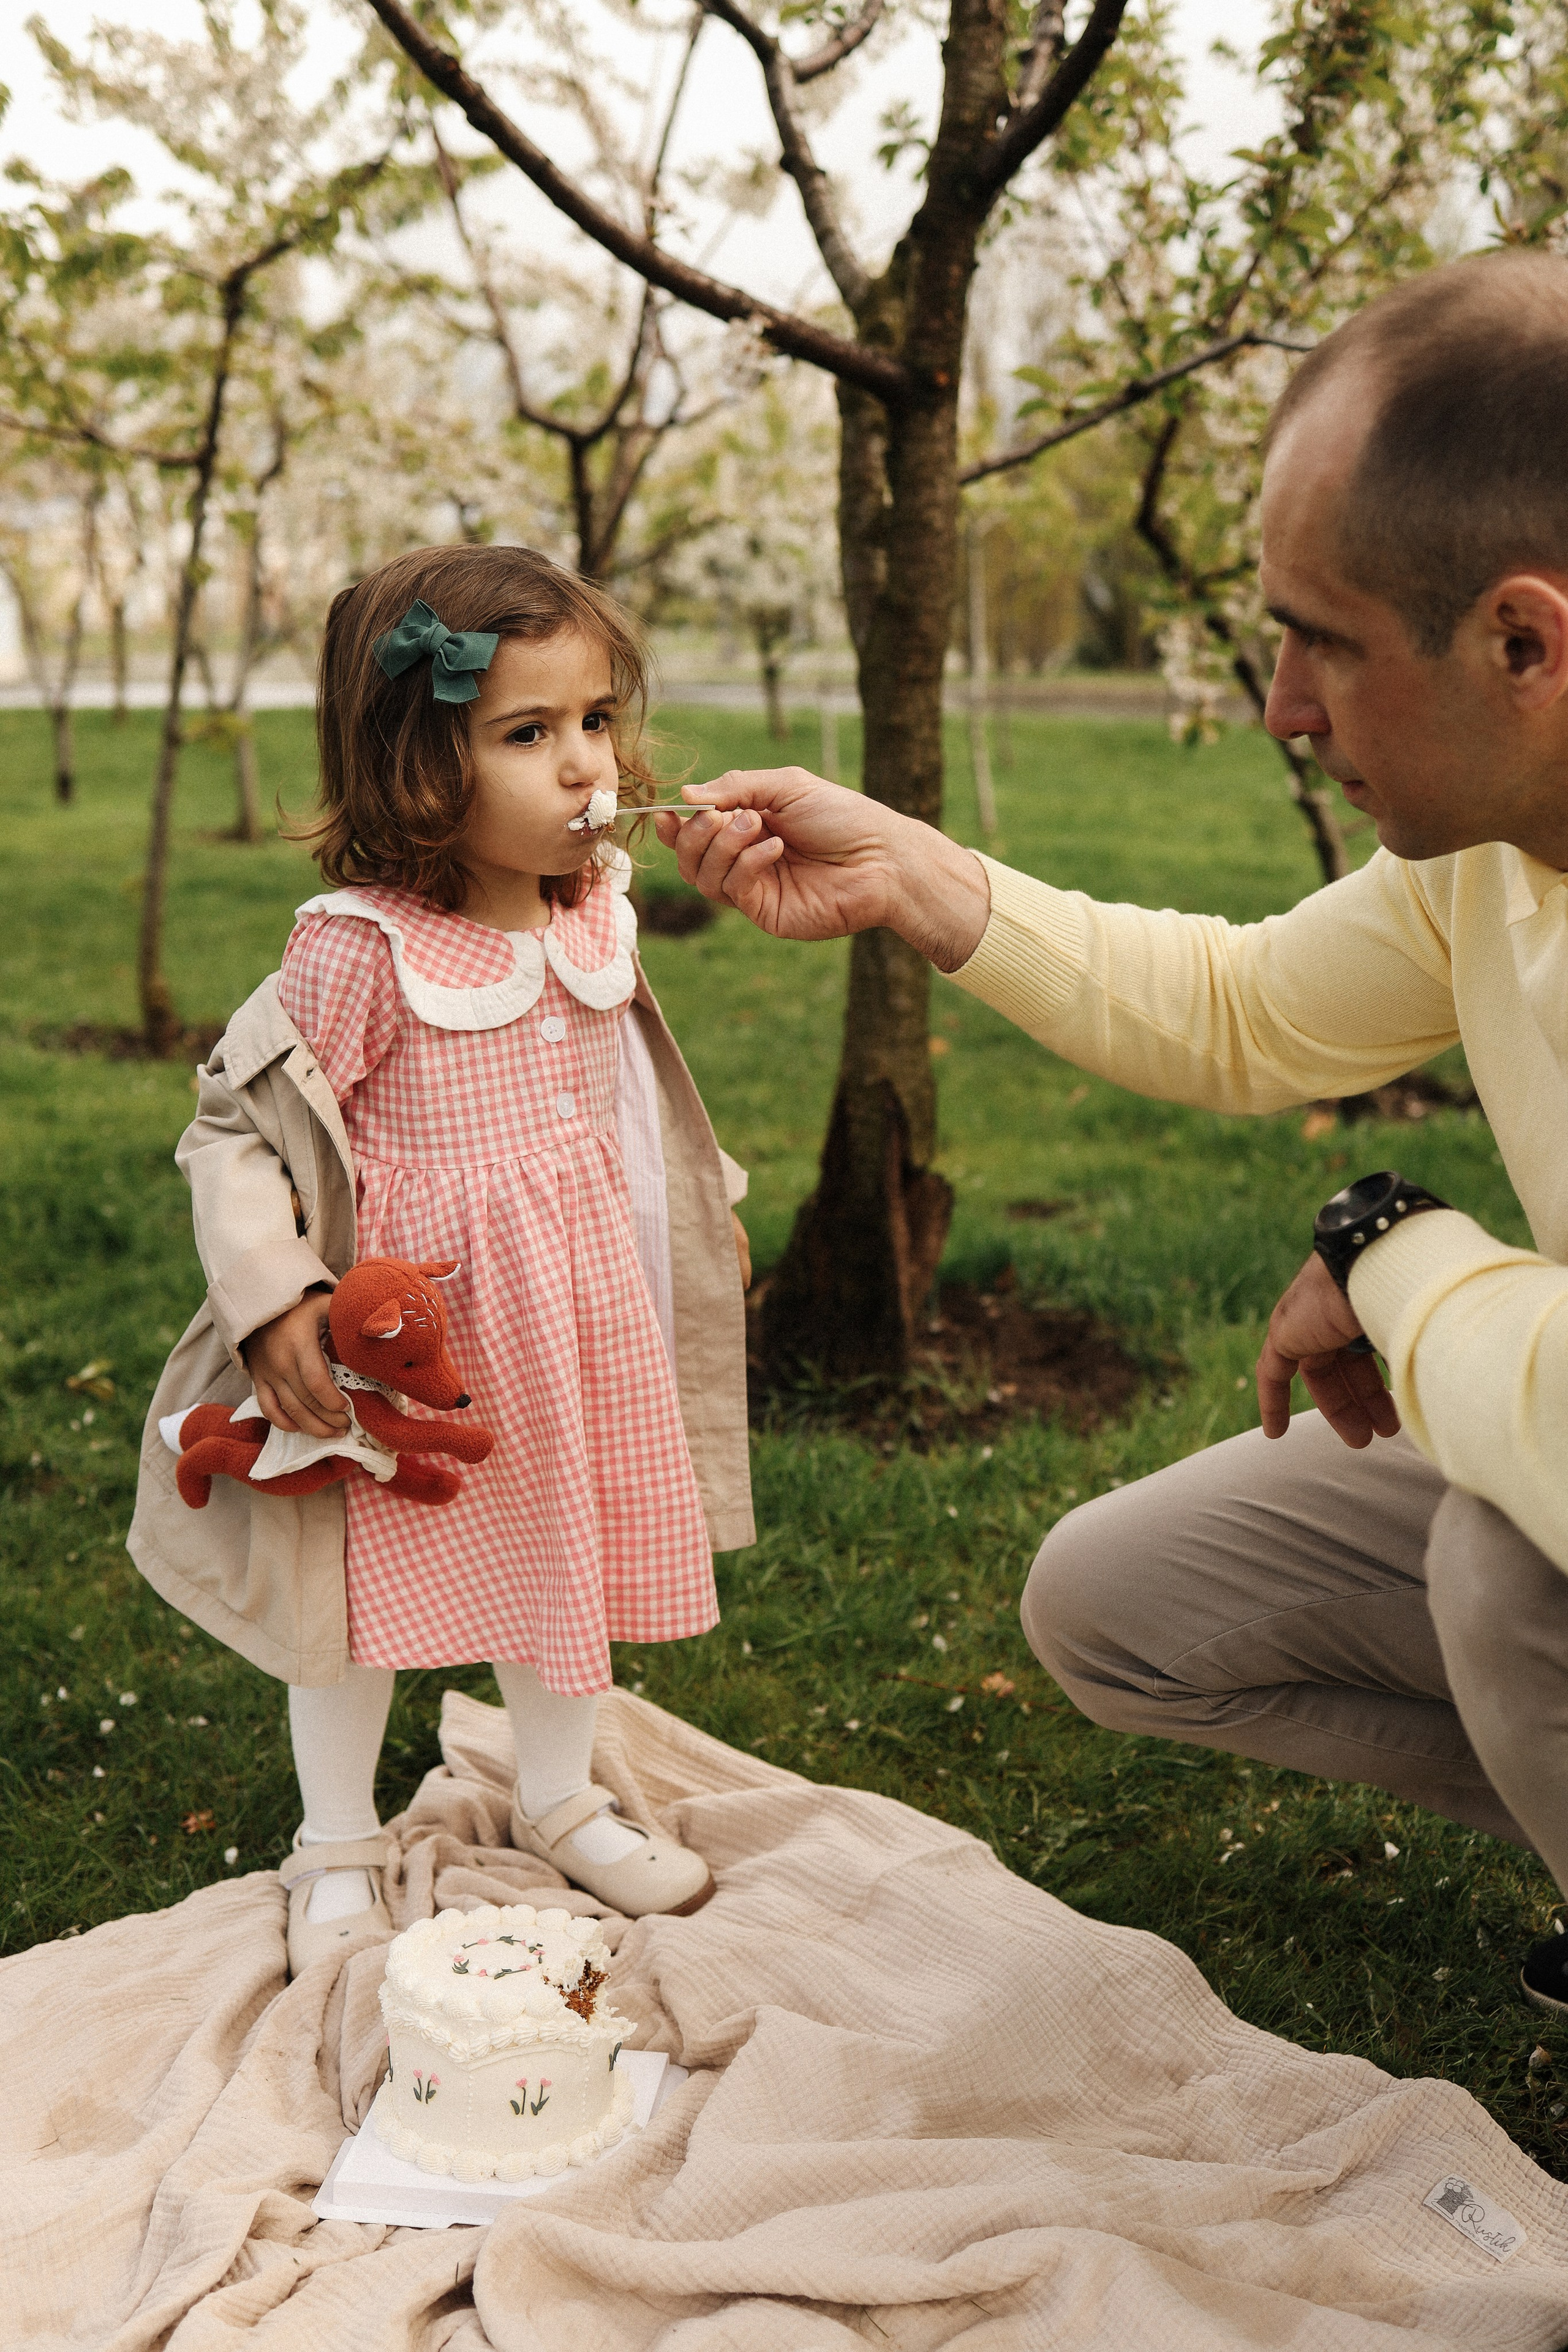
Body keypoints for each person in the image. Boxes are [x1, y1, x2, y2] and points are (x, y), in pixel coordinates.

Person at [652, 249, 1568, 2016]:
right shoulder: (1488, 858)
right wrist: (920, 873)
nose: (1281, 706)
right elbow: (1243, 1009)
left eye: (1325, 642)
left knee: (1510, 1567)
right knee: (1120, 1599)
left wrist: (1393, 1255)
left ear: (1524, 640)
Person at [130, 545, 755, 1975]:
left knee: (557, 1551)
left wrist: (696, 1198)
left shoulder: (597, 907)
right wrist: (275, 1292)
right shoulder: (357, 949)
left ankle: (554, 1794)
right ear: (417, 765)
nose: (586, 768)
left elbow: (625, 1088)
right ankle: (335, 1836)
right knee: (351, 1590)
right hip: (402, 1338)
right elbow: (238, 1123)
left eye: (595, 720)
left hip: (571, 1314)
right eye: (526, 734)